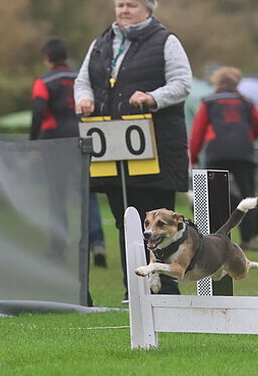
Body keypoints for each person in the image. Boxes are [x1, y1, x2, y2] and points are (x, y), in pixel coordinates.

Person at [74, 0, 192, 301]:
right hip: (113, 150)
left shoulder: (166, 40)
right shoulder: (101, 43)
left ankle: (164, 289)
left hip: (156, 149)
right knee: (124, 221)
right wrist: (84, 98)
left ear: (149, 8)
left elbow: (181, 84)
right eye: (120, 4)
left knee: (159, 222)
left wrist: (152, 98)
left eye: (132, 4)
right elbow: (83, 81)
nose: (124, 9)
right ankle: (135, 289)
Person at [30, 37, 108, 269]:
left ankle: (58, 246)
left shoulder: (43, 81)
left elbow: (38, 111)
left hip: (53, 145)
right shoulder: (79, 79)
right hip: (83, 141)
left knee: (57, 197)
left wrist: (33, 142)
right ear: (65, 55)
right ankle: (98, 244)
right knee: (88, 194)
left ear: (47, 58)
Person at [189, 66, 258, 251]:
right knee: (248, 195)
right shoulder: (247, 102)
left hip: (217, 152)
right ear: (236, 82)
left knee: (209, 194)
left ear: (216, 82)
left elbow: (198, 132)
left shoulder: (209, 102)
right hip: (243, 152)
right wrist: (246, 138)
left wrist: (193, 155)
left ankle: (208, 235)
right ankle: (248, 239)